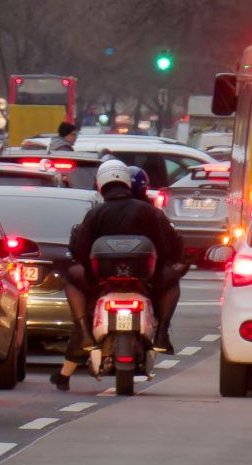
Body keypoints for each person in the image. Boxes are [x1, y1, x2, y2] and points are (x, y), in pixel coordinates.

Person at [51, 159, 184, 391]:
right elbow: (166, 247)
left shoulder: (96, 213)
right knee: (172, 282)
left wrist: (89, 271)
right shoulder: (150, 212)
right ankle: (162, 332)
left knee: (71, 278)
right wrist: (161, 268)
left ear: (100, 184)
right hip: (145, 278)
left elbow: (80, 250)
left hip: (101, 279)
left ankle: (84, 331)